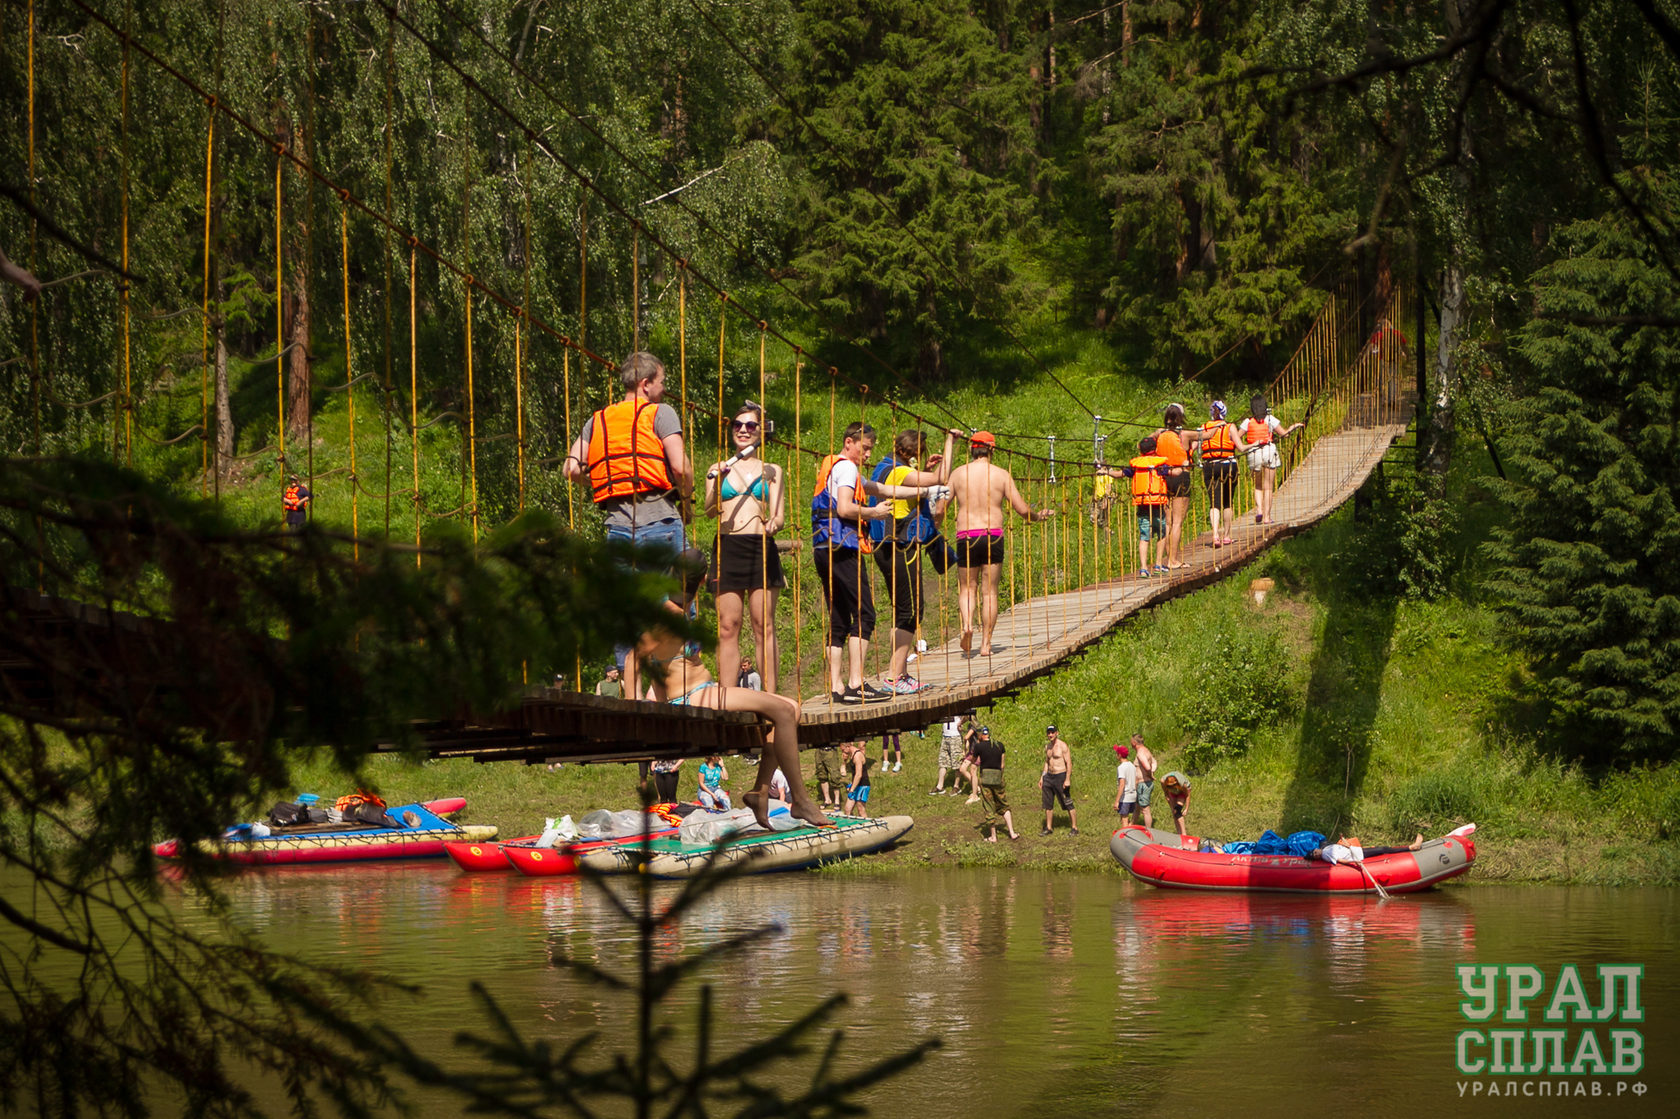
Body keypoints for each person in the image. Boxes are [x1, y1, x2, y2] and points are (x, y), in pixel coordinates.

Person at [633, 548, 830, 829]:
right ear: (704, 582)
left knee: (792, 710)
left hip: (702, 691)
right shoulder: (669, 613)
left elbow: (655, 662)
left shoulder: (679, 611)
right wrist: (638, 705)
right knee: (785, 712)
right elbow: (636, 656)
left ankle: (761, 791)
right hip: (693, 697)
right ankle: (799, 799)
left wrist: (659, 698)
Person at [563, 352, 694, 700]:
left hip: (617, 530)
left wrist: (612, 479)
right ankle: (675, 689)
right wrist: (688, 499)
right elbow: (680, 468)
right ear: (645, 384)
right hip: (661, 521)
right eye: (662, 383)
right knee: (681, 604)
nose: (664, 391)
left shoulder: (598, 420)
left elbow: (572, 469)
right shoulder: (660, 413)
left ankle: (633, 695)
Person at [811, 421, 947, 703]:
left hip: (823, 544)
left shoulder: (836, 466)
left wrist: (923, 492)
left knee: (838, 617)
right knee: (865, 614)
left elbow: (884, 490)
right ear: (849, 443)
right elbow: (846, 507)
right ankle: (856, 683)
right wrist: (874, 513)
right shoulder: (847, 468)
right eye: (866, 448)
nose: (869, 455)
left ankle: (836, 687)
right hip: (842, 545)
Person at [866, 427, 959, 693]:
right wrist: (950, 441)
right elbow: (941, 478)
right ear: (915, 452)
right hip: (898, 547)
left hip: (886, 547)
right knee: (910, 609)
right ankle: (895, 677)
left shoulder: (886, 467)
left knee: (903, 610)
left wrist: (921, 468)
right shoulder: (900, 472)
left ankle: (899, 674)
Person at [946, 431, 1054, 656]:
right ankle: (986, 644)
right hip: (992, 535)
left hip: (965, 535)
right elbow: (1022, 509)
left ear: (971, 450)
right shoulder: (1001, 475)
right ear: (991, 450)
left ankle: (967, 626)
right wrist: (1038, 516)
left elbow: (939, 508)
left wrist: (931, 528)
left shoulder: (957, 474)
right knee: (990, 592)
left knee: (967, 588)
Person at [704, 403, 785, 695]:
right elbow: (710, 511)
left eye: (750, 426)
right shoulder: (717, 469)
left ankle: (771, 695)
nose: (743, 430)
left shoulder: (772, 471)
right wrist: (719, 481)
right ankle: (728, 696)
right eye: (738, 425)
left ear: (760, 431)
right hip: (728, 546)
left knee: (763, 626)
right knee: (728, 625)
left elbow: (779, 515)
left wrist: (773, 524)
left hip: (759, 546)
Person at [1101, 437, 1170, 576]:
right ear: (1155, 449)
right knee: (1162, 534)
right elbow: (1174, 472)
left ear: (1141, 451)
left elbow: (1120, 474)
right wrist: (1184, 466)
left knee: (1144, 536)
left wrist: (1106, 472)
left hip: (1142, 504)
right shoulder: (1160, 464)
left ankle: (1143, 568)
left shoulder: (1136, 465)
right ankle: (1158, 564)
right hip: (1157, 504)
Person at [1151, 404, 1205, 570]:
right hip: (1181, 476)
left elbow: (1143, 445)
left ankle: (1167, 559)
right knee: (1177, 522)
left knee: (1168, 522)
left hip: (1164, 477)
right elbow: (1208, 435)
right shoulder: (1185, 434)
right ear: (1181, 417)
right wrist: (1216, 424)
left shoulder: (1158, 433)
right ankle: (1173, 560)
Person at [1238, 394, 1304, 526]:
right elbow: (1284, 434)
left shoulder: (1247, 421)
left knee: (1257, 485)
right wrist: (1294, 426)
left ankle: (1259, 510)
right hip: (1268, 451)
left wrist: (1246, 446)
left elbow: (1237, 437)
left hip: (1253, 452)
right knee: (1268, 487)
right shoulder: (1270, 419)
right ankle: (1267, 517)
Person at [1198, 401, 1242, 547]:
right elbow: (1240, 447)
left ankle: (1215, 535)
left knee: (1214, 502)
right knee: (1228, 502)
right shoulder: (1230, 427)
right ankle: (1227, 536)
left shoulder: (1203, 428)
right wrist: (1256, 444)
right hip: (1228, 464)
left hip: (1210, 465)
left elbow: (1193, 446)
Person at [970, 726, 1019, 842]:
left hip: (986, 779)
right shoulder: (1000, 745)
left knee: (989, 806)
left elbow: (973, 762)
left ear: (981, 735)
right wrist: (999, 777)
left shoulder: (978, 746)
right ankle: (1012, 832)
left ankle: (993, 836)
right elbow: (1002, 765)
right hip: (998, 778)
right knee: (1003, 804)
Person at [1038, 725, 1079, 835]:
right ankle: (1049, 827)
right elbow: (1047, 762)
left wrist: (1067, 779)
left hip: (1060, 776)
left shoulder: (1062, 746)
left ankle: (1074, 827)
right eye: (1048, 733)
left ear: (1057, 733)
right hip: (1049, 777)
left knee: (1067, 802)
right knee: (1048, 803)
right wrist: (1042, 776)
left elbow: (1069, 763)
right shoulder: (1048, 747)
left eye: (1052, 732)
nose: (1050, 735)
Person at [1310, 834, 1423, 865]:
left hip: (1355, 850)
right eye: (1315, 856)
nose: (1317, 854)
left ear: (1316, 849)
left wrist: (1344, 841)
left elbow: (1341, 848)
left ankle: (1409, 847)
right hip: (1358, 855)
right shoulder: (1326, 855)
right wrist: (1354, 862)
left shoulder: (1326, 847)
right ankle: (1411, 847)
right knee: (1382, 849)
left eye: (1315, 852)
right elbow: (1340, 860)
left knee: (1382, 849)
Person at [930, 715, 965, 795]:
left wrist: (960, 723)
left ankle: (956, 786)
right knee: (943, 761)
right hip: (945, 736)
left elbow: (967, 715)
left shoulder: (958, 704)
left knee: (957, 762)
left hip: (955, 736)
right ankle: (940, 786)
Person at [1130, 733, 1158, 828]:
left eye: (1131, 741)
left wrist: (1150, 775)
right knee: (1137, 807)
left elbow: (1147, 767)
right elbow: (1154, 762)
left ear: (1134, 742)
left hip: (1143, 784)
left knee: (1145, 810)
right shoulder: (1146, 750)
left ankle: (1148, 831)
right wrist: (1153, 771)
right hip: (1142, 784)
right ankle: (1131, 825)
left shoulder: (1140, 753)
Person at [842, 740, 874, 817]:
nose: (842, 752)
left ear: (848, 747)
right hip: (855, 785)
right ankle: (851, 825)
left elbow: (859, 774)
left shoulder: (857, 755)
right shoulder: (851, 754)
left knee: (860, 809)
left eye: (843, 750)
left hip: (863, 785)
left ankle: (867, 826)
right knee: (847, 809)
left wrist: (852, 789)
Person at [1159, 770, 1193, 837]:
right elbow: (1165, 792)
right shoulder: (1163, 781)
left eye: (1173, 785)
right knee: (1174, 812)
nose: (1171, 787)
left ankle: (1184, 834)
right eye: (1169, 786)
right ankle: (1178, 833)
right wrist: (1168, 799)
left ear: (1176, 783)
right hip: (1172, 794)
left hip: (1182, 792)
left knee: (1177, 810)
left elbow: (1187, 795)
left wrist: (1186, 809)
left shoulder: (1183, 784)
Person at [1111, 743, 1139, 824]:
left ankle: (1125, 835)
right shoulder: (1132, 766)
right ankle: (1129, 831)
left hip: (1125, 797)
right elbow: (1136, 781)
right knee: (1125, 818)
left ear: (1119, 755)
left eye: (1117, 753)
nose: (1116, 755)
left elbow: (1122, 784)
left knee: (1124, 819)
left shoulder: (1121, 767)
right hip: (1133, 796)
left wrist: (1117, 801)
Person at [813, 743, 844, 810]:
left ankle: (837, 801)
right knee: (821, 775)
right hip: (819, 750)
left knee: (835, 776)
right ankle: (827, 800)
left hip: (830, 750)